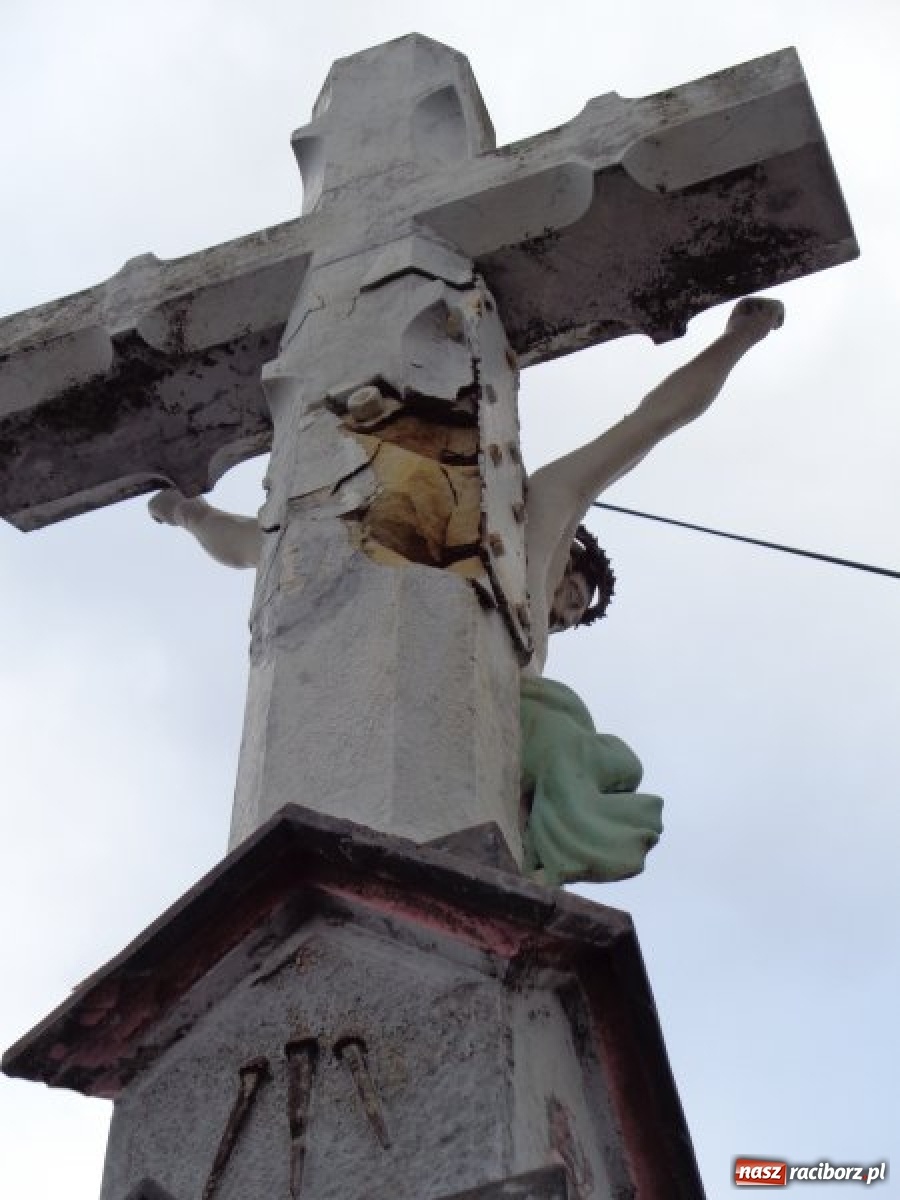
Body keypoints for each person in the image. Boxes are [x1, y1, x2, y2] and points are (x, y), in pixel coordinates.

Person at [150, 296, 784, 883]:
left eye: (567, 617)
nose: (558, 614)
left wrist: (739, 342)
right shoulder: (542, 507)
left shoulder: (524, 628)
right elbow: (650, 422)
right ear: (571, 552)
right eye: (571, 594)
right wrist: (740, 338)